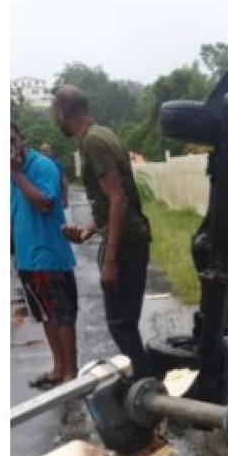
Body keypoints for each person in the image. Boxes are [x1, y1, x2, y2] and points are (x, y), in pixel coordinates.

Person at [51, 84, 153, 380]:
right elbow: (111, 200)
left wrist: (109, 261)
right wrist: (88, 231)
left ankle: (145, 388)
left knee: (121, 324)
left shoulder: (94, 142)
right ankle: (144, 384)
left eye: (53, 113)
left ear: (62, 112)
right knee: (126, 324)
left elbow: (119, 199)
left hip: (126, 244)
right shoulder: (101, 134)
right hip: (128, 239)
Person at [11, 123, 79, 389]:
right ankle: (58, 370)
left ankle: (72, 376)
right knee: (46, 315)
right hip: (27, 258)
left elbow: (44, 204)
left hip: (49, 255)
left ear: (22, 138)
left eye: (11, 139)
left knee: (62, 316)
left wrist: (15, 173)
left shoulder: (41, 167)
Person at [38, 142, 69, 209]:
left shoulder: (37, 165)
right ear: (50, 152)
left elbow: (64, 181)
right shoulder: (57, 164)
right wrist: (65, 199)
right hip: (55, 198)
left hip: (43, 199)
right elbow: (64, 181)